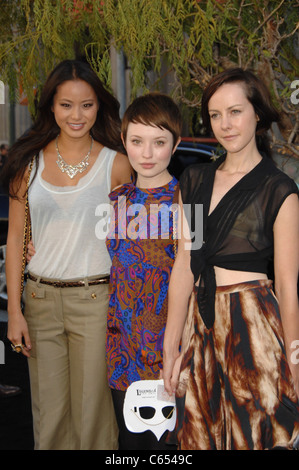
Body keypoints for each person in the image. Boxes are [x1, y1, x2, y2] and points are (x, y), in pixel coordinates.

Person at [163, 68, 299, 450]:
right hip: (200, 326)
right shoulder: (192, 180)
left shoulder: (279, 190)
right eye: (215, 115)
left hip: (254, 328)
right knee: (197, 439)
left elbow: (288, 285)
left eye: (235, 111)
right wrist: (171, 344)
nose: (225, 124)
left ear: (257, 113)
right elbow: (186, 261)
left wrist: (295, 361)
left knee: (255, 436)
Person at [1, 59, 132, 450]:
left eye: (87, 105)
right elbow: (14, 241)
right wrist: (16, 313)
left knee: (93, 416)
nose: (77, 115)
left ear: (99, 107)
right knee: (50, 415)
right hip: (39, 301)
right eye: (66, 105)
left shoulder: (118, 164)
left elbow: (133, 242)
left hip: (96, 300)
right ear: (51, 107)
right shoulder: (28, 163)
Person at [105, 93, 182, 450]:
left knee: (170, 446)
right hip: (122, 348)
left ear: (176, 144)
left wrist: (182, 348)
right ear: (124, 142)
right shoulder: (117, 199)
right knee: (130, 444)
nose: (147, 154)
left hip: (169, 349)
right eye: (137, 142)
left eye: (159, 142)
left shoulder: (185, 201)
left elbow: (193, 278)